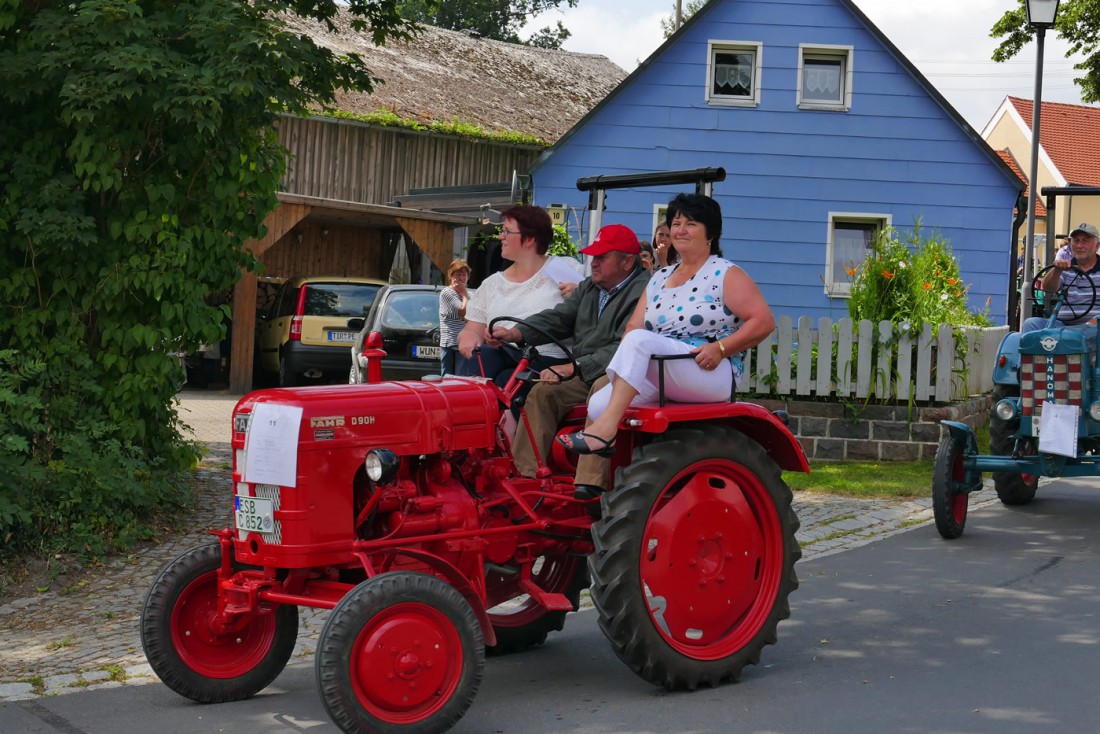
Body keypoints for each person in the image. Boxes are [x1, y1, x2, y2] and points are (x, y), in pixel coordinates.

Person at [557, 193, 775, 460]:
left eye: (691, 224)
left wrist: (720, 348)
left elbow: (764, 322)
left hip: (709, 369)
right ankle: (617, 453)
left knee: (639, 342)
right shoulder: (660, 277)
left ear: (711, 233)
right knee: (598, 404)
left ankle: (605, 432)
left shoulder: (725, 273)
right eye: (676, 223)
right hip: (663, 366)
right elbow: (633, 327)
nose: (680, 230)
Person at [490, 224, 649, 500]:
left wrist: (572, 367)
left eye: (602, 257)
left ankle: (589, 486)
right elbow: (559, 317)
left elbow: (626, 347)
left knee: (603, 392)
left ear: (627, 261)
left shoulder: (644, 292)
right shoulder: (591, 287)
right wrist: (516, 332)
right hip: (586, 369)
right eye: (592, 256)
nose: (594, 263)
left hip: (623, 373)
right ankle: (525, 478)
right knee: (541, 392)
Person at [458, 205, 581, 385]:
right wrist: (468, 339)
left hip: (549, 361)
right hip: (502, 354)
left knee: (505, 380)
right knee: (484, 357)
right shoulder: (491, 284)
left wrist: (580, 293)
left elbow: (593, 308)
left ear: (530, 239)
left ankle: (469, 405)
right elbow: (471, 330)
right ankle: (467, 403)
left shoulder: (564, 268)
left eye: (507, 231)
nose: (501, 236)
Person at [1023, 223, 1100, 339]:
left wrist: (1095, 321)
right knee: (1031, 324)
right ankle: (1035, 357)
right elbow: (1048, 288)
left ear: (1097, 246)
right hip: (1062, 325)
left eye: (1085, 241)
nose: (1079, 245)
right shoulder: (1065, 268)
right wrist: (1057, 270)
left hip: (1094, 328)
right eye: (1075, 241)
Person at [439, 258, 471, 375]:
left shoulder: (469, 294)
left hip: (465, 344)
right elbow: (464, 313)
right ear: (451, 276)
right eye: (457, 274)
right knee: (447, 379)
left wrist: (465, 294)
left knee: (461, 380)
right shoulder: (447, 293)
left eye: (463, 274)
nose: (461, 278)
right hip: (451, 344)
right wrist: (464, 294)